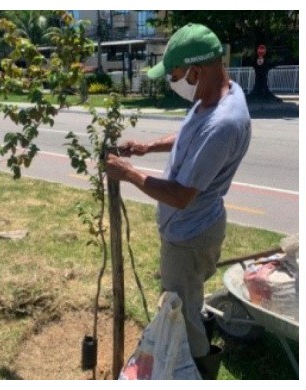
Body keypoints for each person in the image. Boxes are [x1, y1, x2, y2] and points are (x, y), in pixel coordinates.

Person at [105, 23, 251, 379]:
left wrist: (128, 173)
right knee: (186, 301)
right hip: (194, 229)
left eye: (173, 74)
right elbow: (190, 132)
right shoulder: (216, 95)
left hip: (188, 235)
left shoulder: (223, 123)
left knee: (181, 317)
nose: (171, 81)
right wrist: (149, 146)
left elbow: (180, 196)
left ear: (196, 71)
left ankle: (198, 373)